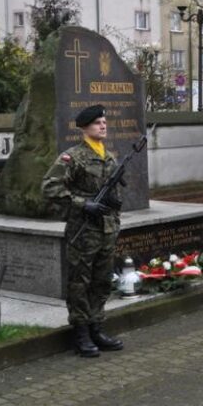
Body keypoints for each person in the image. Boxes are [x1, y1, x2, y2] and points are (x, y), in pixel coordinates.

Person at [41, 105, 124, 358]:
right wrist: (82, 203)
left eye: (104, 122)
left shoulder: (109, 157)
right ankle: (81, 333)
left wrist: (114, 209)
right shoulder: (72, 156)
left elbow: (113, 194)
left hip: (106, 229)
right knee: (80, 282)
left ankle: (97, 328)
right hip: (83, 230)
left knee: (102, 280)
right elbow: (49, 187)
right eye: (98, 122)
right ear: (85, 127)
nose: (103, 125)